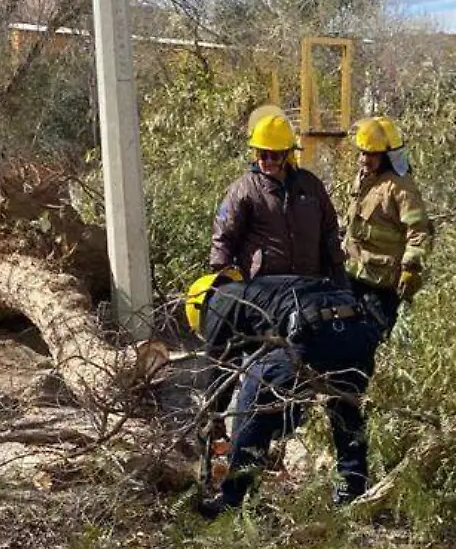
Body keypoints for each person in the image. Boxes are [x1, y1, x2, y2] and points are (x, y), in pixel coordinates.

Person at [184, 268, 381, 517]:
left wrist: (212, 418)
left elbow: (218, 373)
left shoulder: (217, 303)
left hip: (315, 328)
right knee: (346, 410)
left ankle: (232, 501)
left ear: (198, 310)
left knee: (253, 396)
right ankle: (352, 493)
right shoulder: (258, 291)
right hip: (358, 325)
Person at [210, 106, 345, 281]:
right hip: (263, 289)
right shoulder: (243, 190)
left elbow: (330, 232)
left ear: (287, 154)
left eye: (274, 156)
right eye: (262, 155)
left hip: (309, 286)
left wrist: (339, 274)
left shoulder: (311, 186)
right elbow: (223, 237)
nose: (268, 161)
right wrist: (222, 278)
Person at [343, 116, 434, 334]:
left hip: (383, 282)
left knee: (375, 337)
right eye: (362, 153)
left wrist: (410, 269)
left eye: (371, 154)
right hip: (355, 274)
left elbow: (419, 231)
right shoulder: (365, 178)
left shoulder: (400, 186)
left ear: (387, 156)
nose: (364, 159)